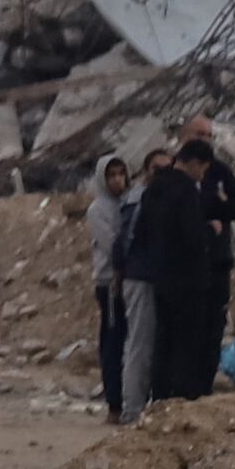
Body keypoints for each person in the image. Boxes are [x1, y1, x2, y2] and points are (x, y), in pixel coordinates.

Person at [128, 117, 235, 414]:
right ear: (193, 160)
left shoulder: (157, 186)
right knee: (186, 342)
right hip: (189, 279)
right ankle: (184, 402)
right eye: (200, 134)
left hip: (164, 277)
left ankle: (161, 399)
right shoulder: (185, 190)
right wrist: (211, 230)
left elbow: (141, 232)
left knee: (166, 339)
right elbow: (192, 234)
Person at [87, 154, 141, 421]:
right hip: (110, 283)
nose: (118, 179)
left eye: (122, 173)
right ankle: (114, 403)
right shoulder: (98, 210)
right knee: (112, 342)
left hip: (132, 279)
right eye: (112, 175)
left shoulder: (130, 202)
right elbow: (111, 245)